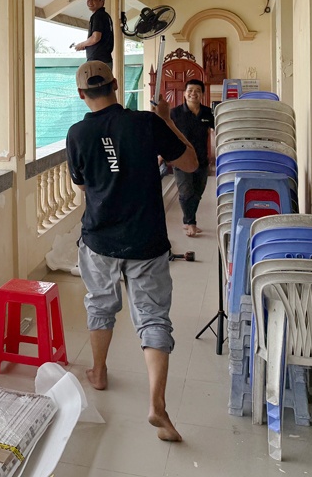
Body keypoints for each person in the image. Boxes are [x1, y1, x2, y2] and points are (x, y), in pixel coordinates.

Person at [65, 61, 198, 442]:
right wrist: (166, 119)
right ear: (116, 84)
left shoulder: (77, 134)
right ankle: (157, 403)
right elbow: (190, 162)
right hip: (146, 241)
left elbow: (82, 184)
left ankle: (99, 371)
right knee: (153, 317)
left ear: (81, 94)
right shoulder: (146, 123)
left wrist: (109, 166)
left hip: (100, 240)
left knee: (100, 305)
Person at [170, 79, 215, 238]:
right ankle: (191, 223)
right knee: (185, 192)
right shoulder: (175, 113)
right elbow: (165, 133)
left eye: (197, 91)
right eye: (190, 90)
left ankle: (188, 220)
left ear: (202, 94)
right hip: (180, 159)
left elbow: (219, 130)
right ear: (185, 93)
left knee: (197, 193)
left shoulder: (208, 113)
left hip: (201, 159)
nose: (193, 93)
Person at [72, 0, 114, 67]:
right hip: (105, 60)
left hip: (97, 61)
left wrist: (82, 44)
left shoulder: (98, 16)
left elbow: (95, 38)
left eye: (94, 0)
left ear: (102, 2)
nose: (90, 2)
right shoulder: (106, 16)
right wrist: (86, 45)